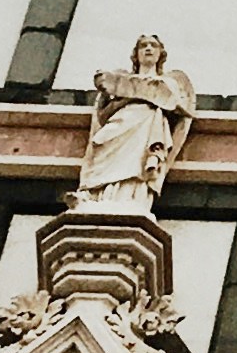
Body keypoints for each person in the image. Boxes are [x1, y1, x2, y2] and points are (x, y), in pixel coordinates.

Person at [70, 35, 195, 217]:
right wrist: (127, 92)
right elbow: (103, 113)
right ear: (136, 54)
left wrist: (124, 89)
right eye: (143, 46)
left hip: (146, 122)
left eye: (153, 46)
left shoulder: (170, 82)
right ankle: (96, 195)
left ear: (161, 54)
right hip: (121, 120)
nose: (148, 49)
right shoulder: (122, 79)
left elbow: (170, 101)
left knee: (136, 163)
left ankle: (130, 199)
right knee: (103, 147)